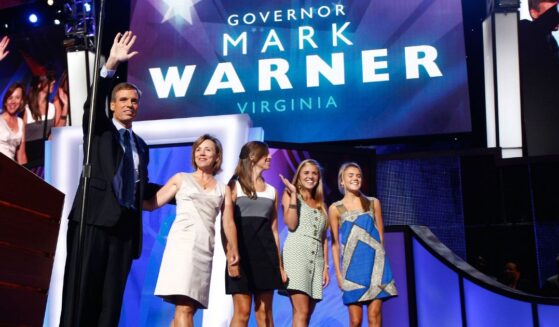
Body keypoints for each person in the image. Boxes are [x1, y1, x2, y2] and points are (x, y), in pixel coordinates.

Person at [59, 31, 159, 327]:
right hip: (93, 221)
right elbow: (92, 105)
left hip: (125, 229)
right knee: (82, 295)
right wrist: (110, 66)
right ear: (113, 106)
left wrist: (181, 186)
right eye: (123, 100)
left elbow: (141, 187)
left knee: (110, 303)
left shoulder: (140, 145)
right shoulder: (100, 130)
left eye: (134, 100)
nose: (129, 104)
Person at [143, 134, 240, 327]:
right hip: (182, 246)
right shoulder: (181, 179)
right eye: (198, 149)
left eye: (208, 149)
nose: (202, 153)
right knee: (184, 307)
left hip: (205, 249)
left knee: (189, 308)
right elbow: (152, 204)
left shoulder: (223, 189)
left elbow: (228, 222)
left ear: (217, 157)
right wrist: (123, 195)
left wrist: (233, 250)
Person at [329, 162, 397, 327]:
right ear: (342, 181)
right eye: (351, 175)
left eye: (358, 176)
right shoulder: (335, 208)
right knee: (355, 321)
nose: (355, 178)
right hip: (352, 270)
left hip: (376, 267)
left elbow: (380, 237)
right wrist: (338, 274)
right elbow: (336, 244)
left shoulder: (373, 203)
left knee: (374, 316)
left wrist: (380, 265)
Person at [226, 141, 285, 327]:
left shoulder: (272, 192)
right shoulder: (234, 186)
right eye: (265, 154)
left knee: (265, 314)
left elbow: (274, 230)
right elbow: (226, 225)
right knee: (242, 313)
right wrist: (231, 257)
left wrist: (280, 266)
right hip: (241, 257)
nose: (269, 157)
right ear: (252, 157)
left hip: (266, 258)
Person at [279, 159, 329, 327]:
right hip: (296, 254)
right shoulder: (290, 194)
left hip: (316, 261)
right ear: (299, 175)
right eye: (306, 173)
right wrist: (293, 195)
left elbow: (324, 238)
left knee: (305, 316)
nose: (310, 176)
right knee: (302, 312)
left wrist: (325, 267)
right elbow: (291, 224)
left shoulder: (321, 205)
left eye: (314, 173)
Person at [518, 1, 559, 155]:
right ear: (534, 13)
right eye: (552, 9)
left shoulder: (550, 40)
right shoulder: (526, 30)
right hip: (539, 127)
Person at [0, 83, 27, 164]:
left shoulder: (21, 122)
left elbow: (21, 155)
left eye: (17, 98)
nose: (13, 102)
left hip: (11, 170)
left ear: (21, 101)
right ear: (5, 101)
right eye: (10, 98)